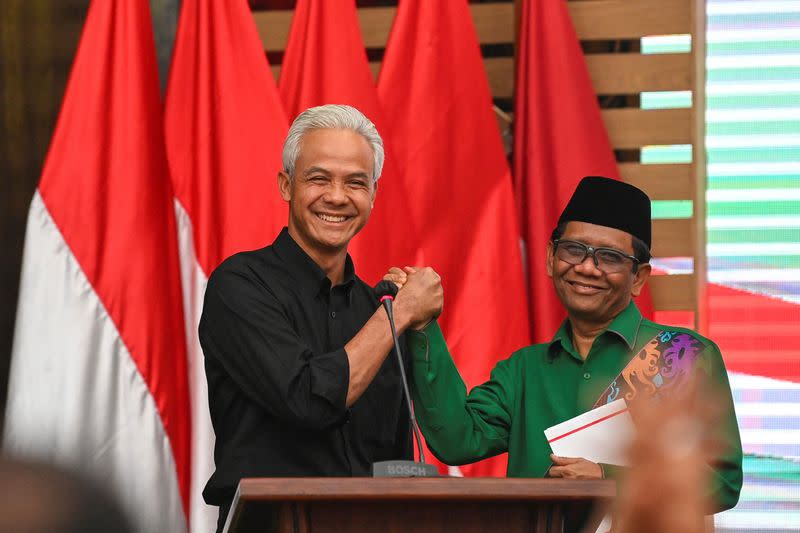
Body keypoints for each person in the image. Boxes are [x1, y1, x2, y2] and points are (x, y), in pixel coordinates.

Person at [388, 176, 742, 514]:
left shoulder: (684, 355)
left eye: (610, 257)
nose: (587, 267)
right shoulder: (523, 370)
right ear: (549, 258)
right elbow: (456, 440)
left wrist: (609, 480)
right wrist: (422, 325)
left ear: (639, 278)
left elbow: (721, 481)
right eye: (574, 250)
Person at [198, 104, 441, 532]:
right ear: (286, 185)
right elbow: (307, 400)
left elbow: (399, 460)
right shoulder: (238, 285)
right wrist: (400, 313)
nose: (337, 196)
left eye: (355, 183)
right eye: (319, 178)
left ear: (373, 195)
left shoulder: (378, 310)